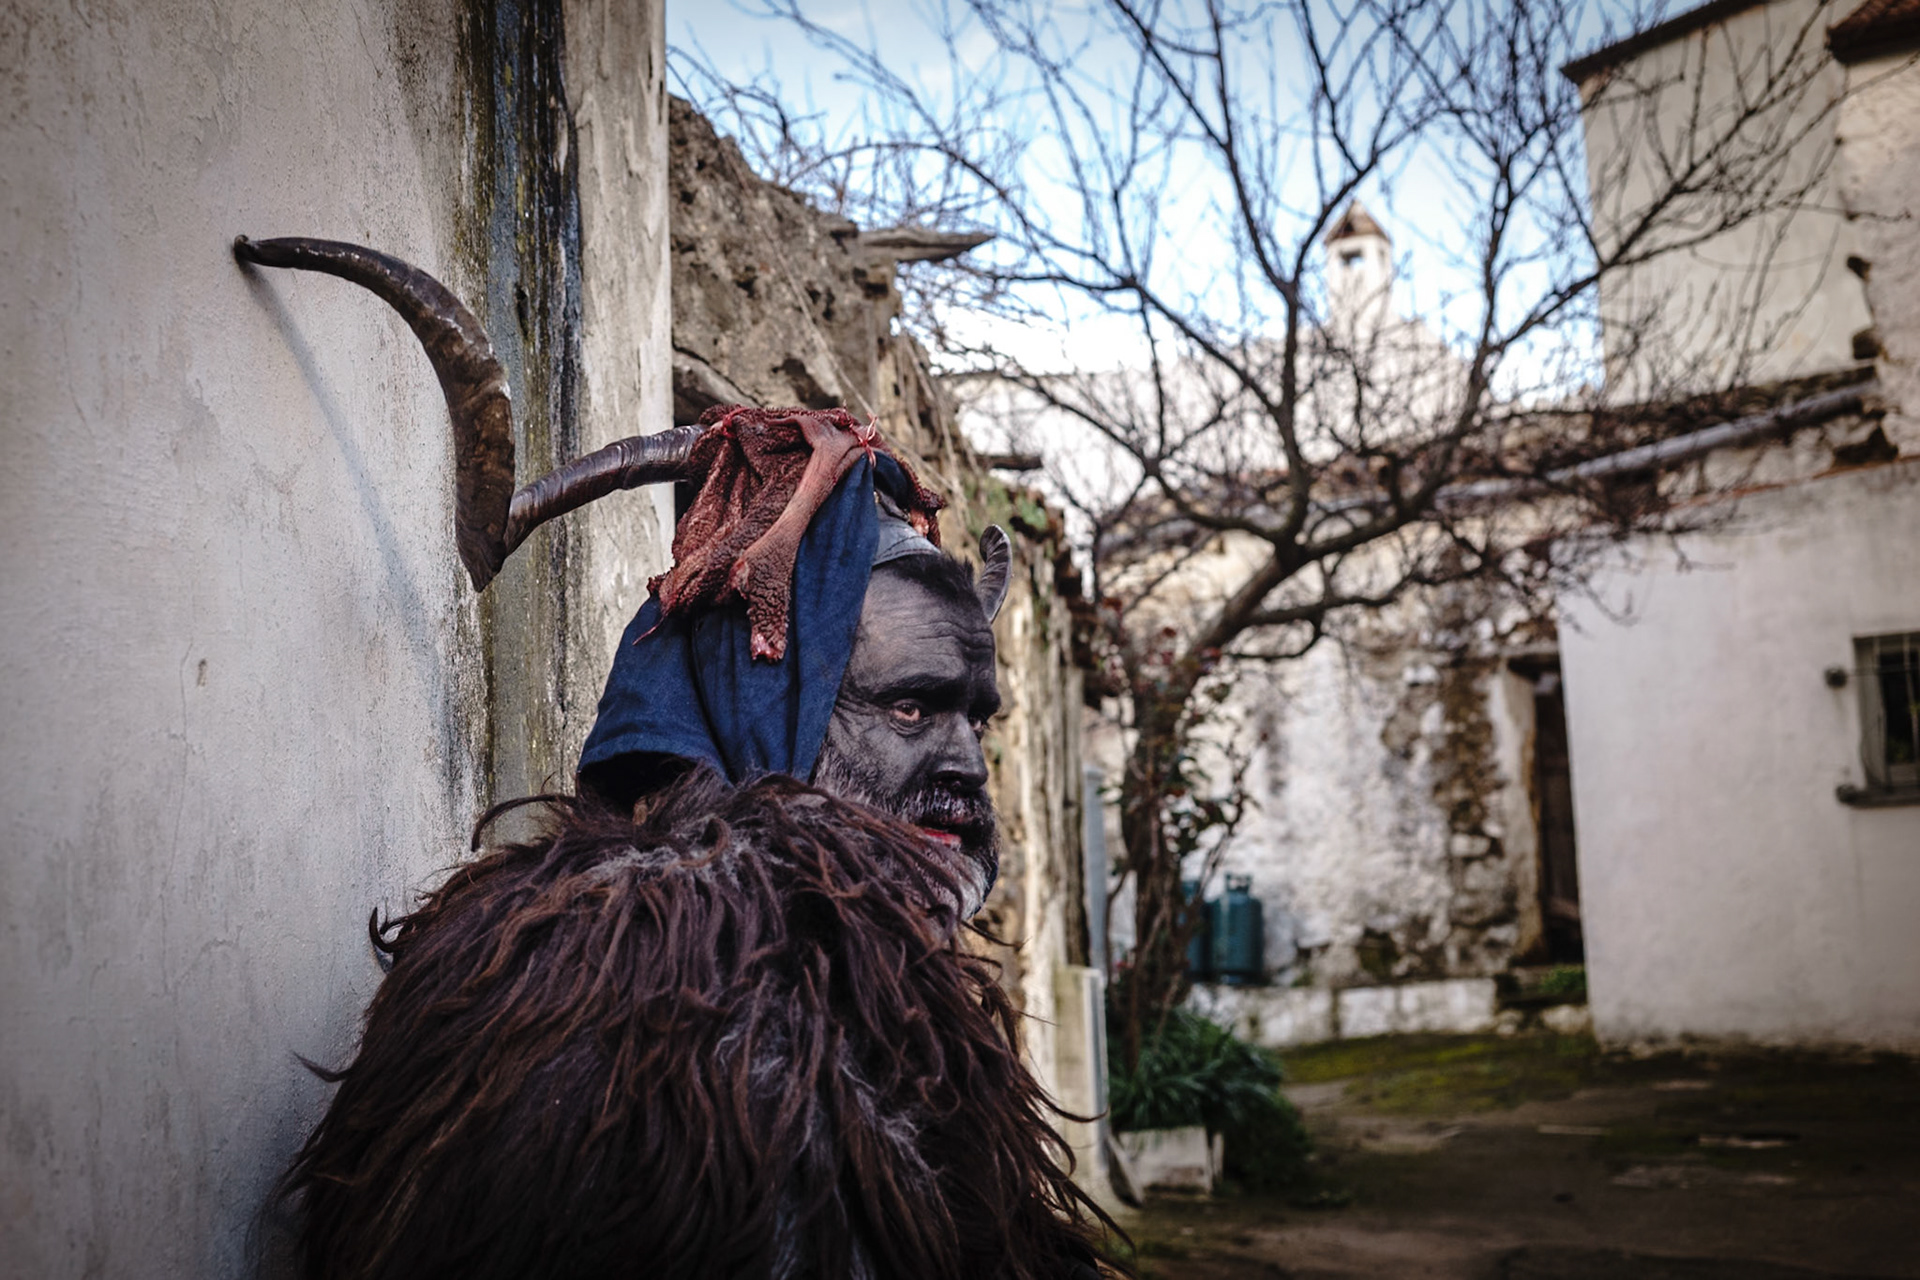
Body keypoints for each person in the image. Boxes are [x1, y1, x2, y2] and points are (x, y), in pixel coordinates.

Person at [233, 239, 1118, 1280]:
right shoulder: (618, 1011)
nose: (967, 766)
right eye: (913, 704)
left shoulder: (893, 1005)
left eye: (979, 716)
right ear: (756, 701)